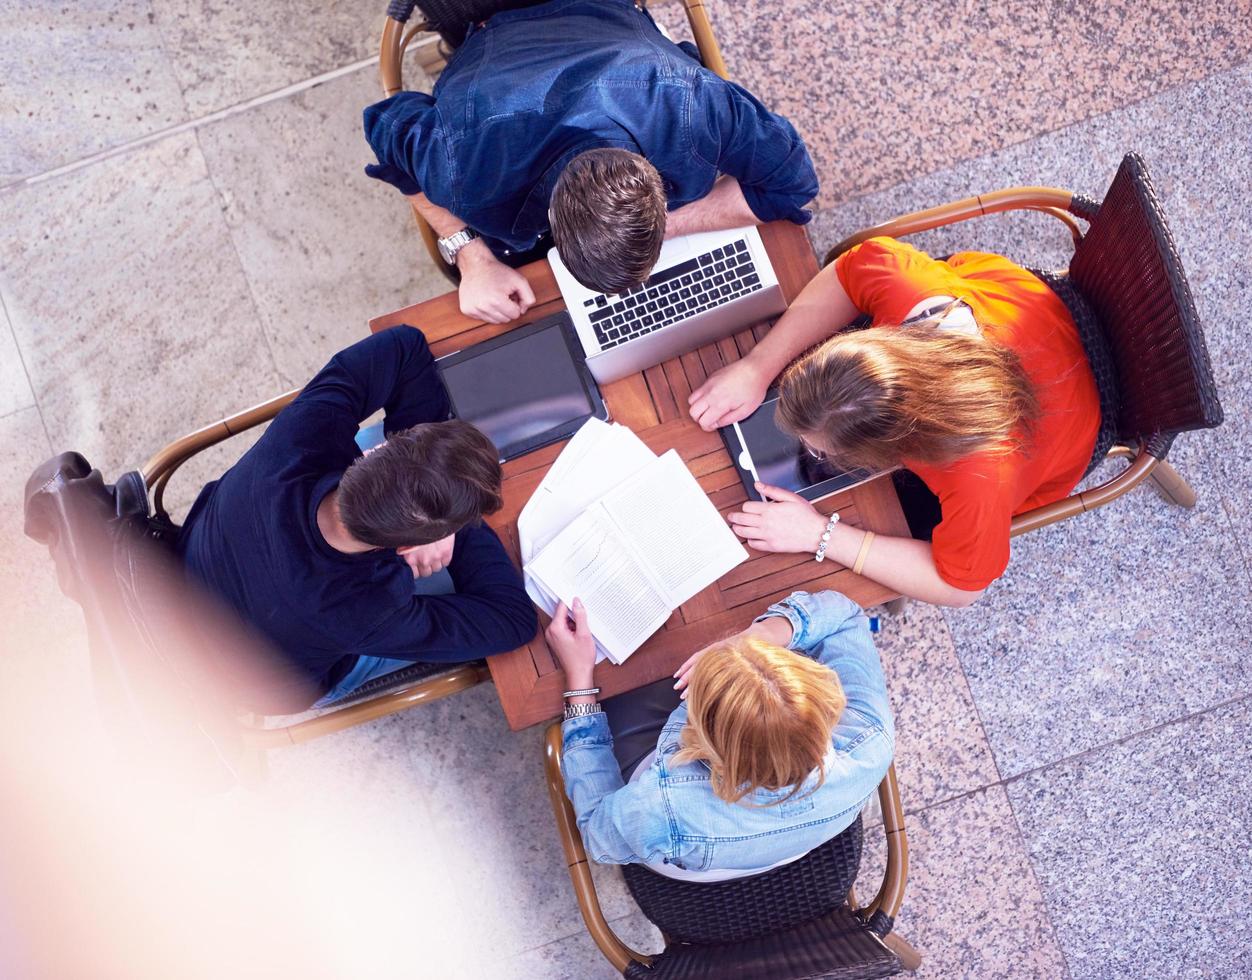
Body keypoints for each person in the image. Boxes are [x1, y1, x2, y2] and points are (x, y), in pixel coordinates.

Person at [687, 236, 1100, 606]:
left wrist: (820, 536)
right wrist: (758, 367)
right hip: (1024, 306)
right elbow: (849, 271)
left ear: (893, 450)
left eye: (819, 447)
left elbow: (960, 586)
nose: (807, 447)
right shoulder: (913, 295)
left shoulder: (977, 477)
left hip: (1072, 419)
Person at [362, 0, 818, 323]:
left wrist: (668, 228)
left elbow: (793, 185)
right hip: (496, 26)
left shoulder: (694, 105)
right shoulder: (463, 167)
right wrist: (471, 254)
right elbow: (382, 129)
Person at [177, 327, 537, 712]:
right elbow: (512, 621)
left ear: (377, 454)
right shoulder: (370, 607)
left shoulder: (298, 437)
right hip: (262, 683)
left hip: (186, 582)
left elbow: (405, 345)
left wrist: (433, 478)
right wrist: (459, 528)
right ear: (405, 548)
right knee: (480, 582)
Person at [545, 590, 893, 879]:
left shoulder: (659, 805)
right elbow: (846, 616)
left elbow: (597, 834)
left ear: (703, 737)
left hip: (689, 840)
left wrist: (580, 685)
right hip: (777, 843)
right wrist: (761, 637)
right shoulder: (870, 740)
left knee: (626, 686)